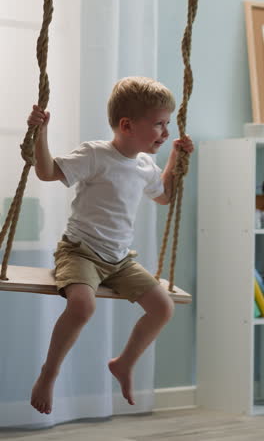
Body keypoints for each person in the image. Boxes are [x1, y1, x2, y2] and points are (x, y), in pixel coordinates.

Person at [28, 76, 194, 415]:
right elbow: (45, 172)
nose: (165, 132)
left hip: (119, 259)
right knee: (82, 307)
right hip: (80, 251)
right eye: (160, 124)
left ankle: (124, 364)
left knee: (163, 307)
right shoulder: (95, 154)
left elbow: (163, 196)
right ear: (127, 125)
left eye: (167, 125)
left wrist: (175, 158)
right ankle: (49, 372)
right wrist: (39, 133)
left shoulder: (145, 164)